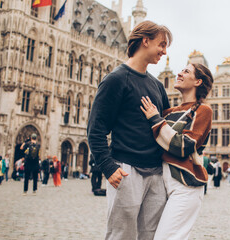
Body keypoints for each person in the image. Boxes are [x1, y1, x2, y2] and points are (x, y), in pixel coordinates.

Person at [87, 20, 173, 240]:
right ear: (145, 41)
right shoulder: (116, 80)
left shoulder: (157, 86)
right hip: (126, 172)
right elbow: (96, 129)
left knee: (151, 236)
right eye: (161, 44)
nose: (164, 51)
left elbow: (165, 128)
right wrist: (108, 167)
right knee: (121, 235)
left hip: (155, 175)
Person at [140, 62, 213, 240]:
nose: (179, 73)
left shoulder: (203, 111)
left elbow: (184, 146)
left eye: (186, 71)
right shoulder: (169, 112)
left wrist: (155, 120)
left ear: (198, 82)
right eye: (181, 70)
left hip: (185, 185)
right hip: (160, 182)